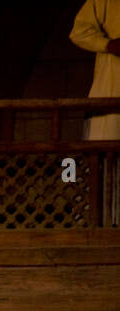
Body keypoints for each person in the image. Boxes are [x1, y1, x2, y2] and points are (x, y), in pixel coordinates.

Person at [71, 1, 120, 224]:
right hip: (112, 88)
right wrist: (108, 44)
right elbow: (79, 31)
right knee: (105, 154)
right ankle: (102, 220)